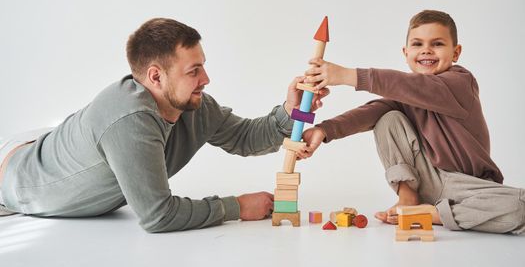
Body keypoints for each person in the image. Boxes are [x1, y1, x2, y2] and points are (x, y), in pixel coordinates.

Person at [0, 18, 328, 233]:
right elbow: (158, 216)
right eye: (193, 70)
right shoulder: (130, 120)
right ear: (156, 76)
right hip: (17, 178)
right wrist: (236, 206)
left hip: (50, 146)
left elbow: (244, 138)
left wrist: (290, 109)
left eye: (203, 67)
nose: (206, 79)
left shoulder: (192, 104)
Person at [298, 10, 525, 234]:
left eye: (437, 43)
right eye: (417, 44)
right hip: (427, 178)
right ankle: (408, 197)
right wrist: (324, 130)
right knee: (387, 118)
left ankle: (433, 214)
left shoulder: (461, 83)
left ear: (456, 53)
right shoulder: (405, 97)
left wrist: (348, 75)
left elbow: (413, 86)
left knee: (520, 207)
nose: (426, 50)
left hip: (468, 187)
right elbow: (371, 111)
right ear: (406, 53)